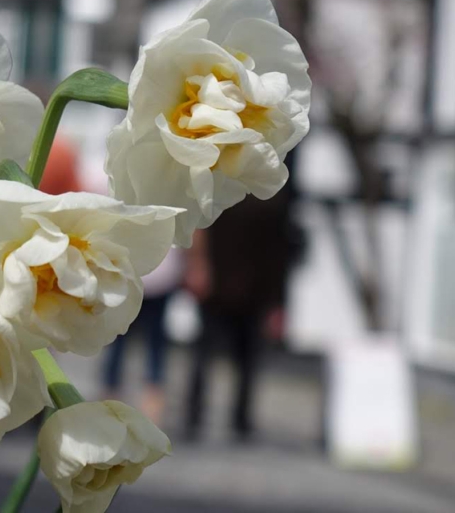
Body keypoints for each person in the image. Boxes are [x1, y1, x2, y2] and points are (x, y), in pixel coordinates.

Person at [183, 185, 304, 442]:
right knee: (207, 355)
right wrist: (198, 266)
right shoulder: (221, 186)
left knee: (246, 358)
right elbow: (200, 226)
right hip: (218, 286)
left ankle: (240, 419)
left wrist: (278, 302)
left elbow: (279, 253)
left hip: (253, 291)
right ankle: (195, 415)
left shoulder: (273, 194)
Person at [101, 245, 183, 425]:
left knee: (123, 342)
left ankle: (114, 401)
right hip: (156, 278)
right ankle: (121, 401)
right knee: (148, 345)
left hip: (152, 279)